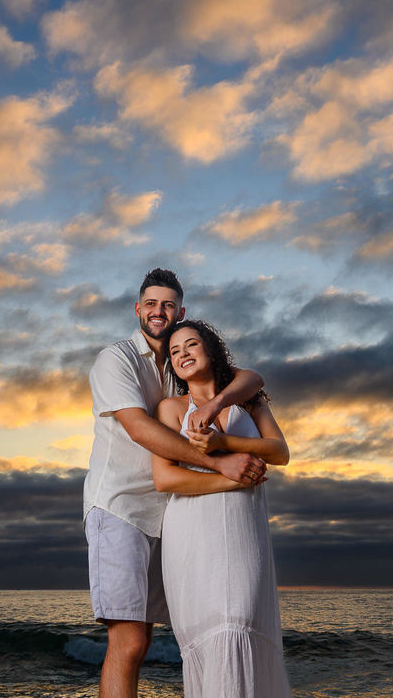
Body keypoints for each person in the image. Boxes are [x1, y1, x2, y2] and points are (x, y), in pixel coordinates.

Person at [84, 269, 268, 698]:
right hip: (121, 508)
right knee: (128, 641)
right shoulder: (117, 359)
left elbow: (252, 379)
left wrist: (221, 401)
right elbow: (140, 430)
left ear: (180, 311)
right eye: (151, 303)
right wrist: (221, 464)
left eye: (168, 305)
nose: (158, 311)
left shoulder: (180, 362)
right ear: (138, 309)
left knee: (155, 639)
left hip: (169, 514)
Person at [153, 319, 292, 698]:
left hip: (245, 529)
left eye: (191, 345)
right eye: (175, 351)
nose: (182, 354)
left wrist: (222, 439)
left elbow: (280, 452)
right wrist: (231, 477)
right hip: (192, 532)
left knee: (242, 619)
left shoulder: (246, 398)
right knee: (215, 632)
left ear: (210, 350)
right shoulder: (170, 409)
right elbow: (165, 479)